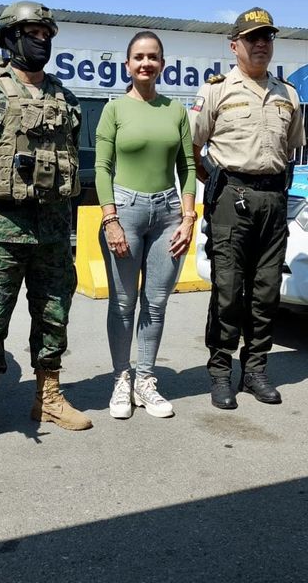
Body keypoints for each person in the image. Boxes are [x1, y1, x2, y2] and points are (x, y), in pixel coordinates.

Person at [0, 1, 91, 453]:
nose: (41, 40)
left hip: (52, 231)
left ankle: (48, 399)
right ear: (9, 38)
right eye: (32, 33)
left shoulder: (65, 97)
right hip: (0, 232)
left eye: (46, 33)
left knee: (54, 316)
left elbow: (71, 151)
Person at [191, 7, 304, 410]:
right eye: (252, 37)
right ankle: (221, 371)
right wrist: (216, 183)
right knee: (228, 290)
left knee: (266, 291)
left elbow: (291, 148)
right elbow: (193, 147)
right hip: (231, 199)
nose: (261, 44)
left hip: (273, 200)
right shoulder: (216, 91)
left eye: (267, 37)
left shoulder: (288, 94)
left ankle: (255, 369)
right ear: (234, 45)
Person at [95, 31, 197, 419]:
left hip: (169, 213)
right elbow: (102, 168)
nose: (145, 63)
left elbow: (188, 168)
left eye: (153, 57)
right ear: (127, 64)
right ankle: (121, 379)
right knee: (123, 304)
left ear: (162, 64)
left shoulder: (175, 111)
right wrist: (110, 220)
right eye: (138, 57)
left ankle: (146, 380)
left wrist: (188, 218)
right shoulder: (114, 110)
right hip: (125, 211)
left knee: (156, 302)